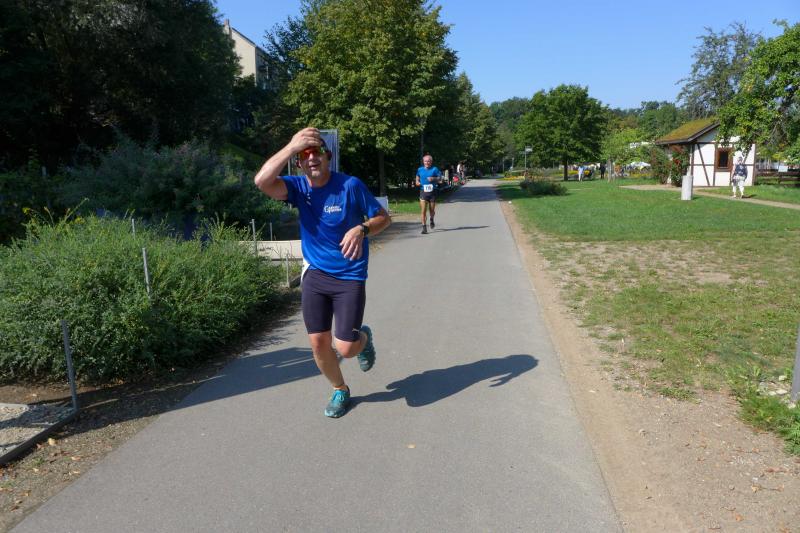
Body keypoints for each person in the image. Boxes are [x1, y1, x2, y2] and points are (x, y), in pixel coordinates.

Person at [253, 127, 391, 418]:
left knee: (346, 348)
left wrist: (362, 228)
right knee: (318, 342)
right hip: (316, 273)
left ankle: (363, 339)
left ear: (328, 157)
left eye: (317, 153)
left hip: (350, 275)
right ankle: (340, 389)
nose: (311, 158)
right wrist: (291, 146)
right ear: (299, 163)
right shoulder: (298, 188)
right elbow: (262, 181)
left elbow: (383, 218)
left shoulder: (350, 185)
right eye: (305, 155)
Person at [416, 154, 441, 234]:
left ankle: (431, 219)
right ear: (423, 162)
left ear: (431, 162)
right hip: (423, 192)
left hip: (432, 192)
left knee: (431, 210)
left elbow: (440, 178)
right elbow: (417, 177)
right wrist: (417, 182)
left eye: (428, 161)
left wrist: (433, 178)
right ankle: (424, 228)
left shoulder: (435, 169)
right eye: (425, 161)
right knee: (423, 211)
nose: (427, 163)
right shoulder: (420, 169)